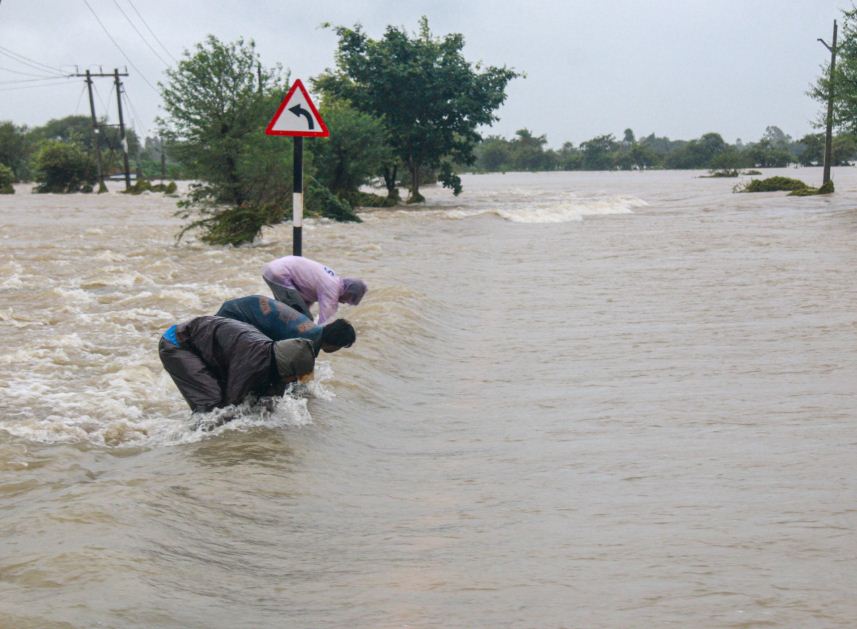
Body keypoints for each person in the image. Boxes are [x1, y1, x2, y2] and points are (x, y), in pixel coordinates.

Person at [159, 315, 315, 414]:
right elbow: (232, 403)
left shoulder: (274, 357)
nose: (293, 381)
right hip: (178, 343)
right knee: (214, 407)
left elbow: (271, 399)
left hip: (207, 343)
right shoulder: (253, 362)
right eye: (295, 377)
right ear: (289, 367)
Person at [215, 295, 356, 356]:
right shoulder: (305, 344)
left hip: (237, 308)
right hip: (234, 317)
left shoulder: (312, 329)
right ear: (335, 344)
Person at [262, 255, 367, 324]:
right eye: (350, 299)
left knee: (288, 315)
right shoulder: (332, 289)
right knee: (302, 321)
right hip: (281, 275)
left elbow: (305, 300)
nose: (345, 302)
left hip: (272, 270)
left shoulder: (332, 279)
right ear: (349, 292)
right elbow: (325, 319)